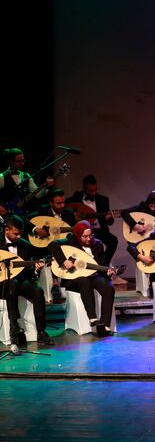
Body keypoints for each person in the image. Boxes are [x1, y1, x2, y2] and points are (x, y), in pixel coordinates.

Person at [48, 221, 116, 336]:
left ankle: (104, 325)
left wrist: (108, 272)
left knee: (109, 288)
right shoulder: (71, 241)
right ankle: (92, 318)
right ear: (78, 235)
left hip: (94, 276)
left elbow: (102, 265)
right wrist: (63, 261)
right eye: (84, 236)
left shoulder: (98, 244)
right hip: (73, 278)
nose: (88, 239)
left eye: (90, 235)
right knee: (85, 281)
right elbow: (52, 245)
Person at [0, 214, 53, 346]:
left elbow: (29, 268)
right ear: (6, 230)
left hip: (22, 280)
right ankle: (15, 326)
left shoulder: (25, 245)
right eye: (15, 234)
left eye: (20, 234)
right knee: (12, 284)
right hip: (2, 283)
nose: (18, 237)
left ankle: (41, 331)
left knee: (38, 291)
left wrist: (36, 268)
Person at [67, 174, 118, 263]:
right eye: (91, 190)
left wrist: (108, 218)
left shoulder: (103, 200)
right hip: (83, 232)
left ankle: (103, 265)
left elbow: (110, 222)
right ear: (84, 188)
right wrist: (74, 214)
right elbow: (66, 206)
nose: (94, 193)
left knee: (113, 241)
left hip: (99, 230)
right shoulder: (77, 196)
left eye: (95, 190)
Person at [0, 147, 54, 216]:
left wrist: (46, 186)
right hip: (6, 215)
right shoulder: (2, 177)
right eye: (19, 161)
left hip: (22, 213)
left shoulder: (26, 176)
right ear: (11, 161)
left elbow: (37, 195)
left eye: (23, 160)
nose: (22, 163)